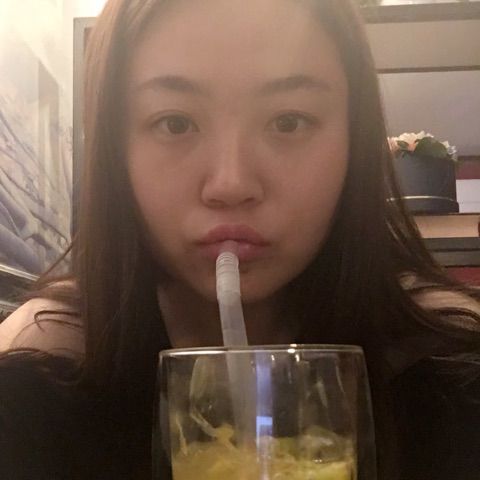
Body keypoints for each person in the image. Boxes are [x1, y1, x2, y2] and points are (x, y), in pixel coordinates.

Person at [0, 0, 479, 478]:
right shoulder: (37, 382)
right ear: (114, 147)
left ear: (355, 140)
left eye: (288, 121)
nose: (231, 184)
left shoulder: (449, 372)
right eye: (175, 123)